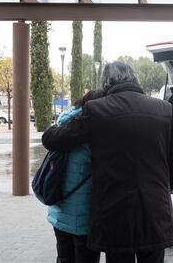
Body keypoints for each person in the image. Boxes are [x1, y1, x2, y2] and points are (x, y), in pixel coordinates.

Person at [42, 61, 173, 263]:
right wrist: (161, 187)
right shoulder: (165, 109)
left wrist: (57, 123)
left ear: (106, 83)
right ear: (135, 79)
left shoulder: (96, 109)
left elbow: (53, 140)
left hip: (114, 213)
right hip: (156, 210)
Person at [46, 90, 104, 263]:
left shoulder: (62, 126)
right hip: (83, 218)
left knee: (63, 258)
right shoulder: (90, 135)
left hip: (59, 212)